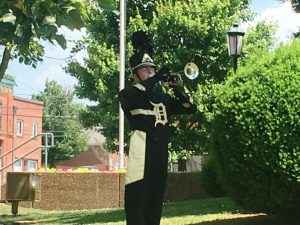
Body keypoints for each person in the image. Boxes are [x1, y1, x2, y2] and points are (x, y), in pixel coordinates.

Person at [119, 49, 197, 225]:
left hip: (160, 151)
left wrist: (178, 91)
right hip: (141, 152)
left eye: (152, 69)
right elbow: (138, 93)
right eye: (145, 69)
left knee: (156, 197)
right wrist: (157, 77)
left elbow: (190, 108)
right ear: (134, 74)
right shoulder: (128, 94)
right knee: (137, 198)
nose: (150, 72)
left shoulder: (163, 98)